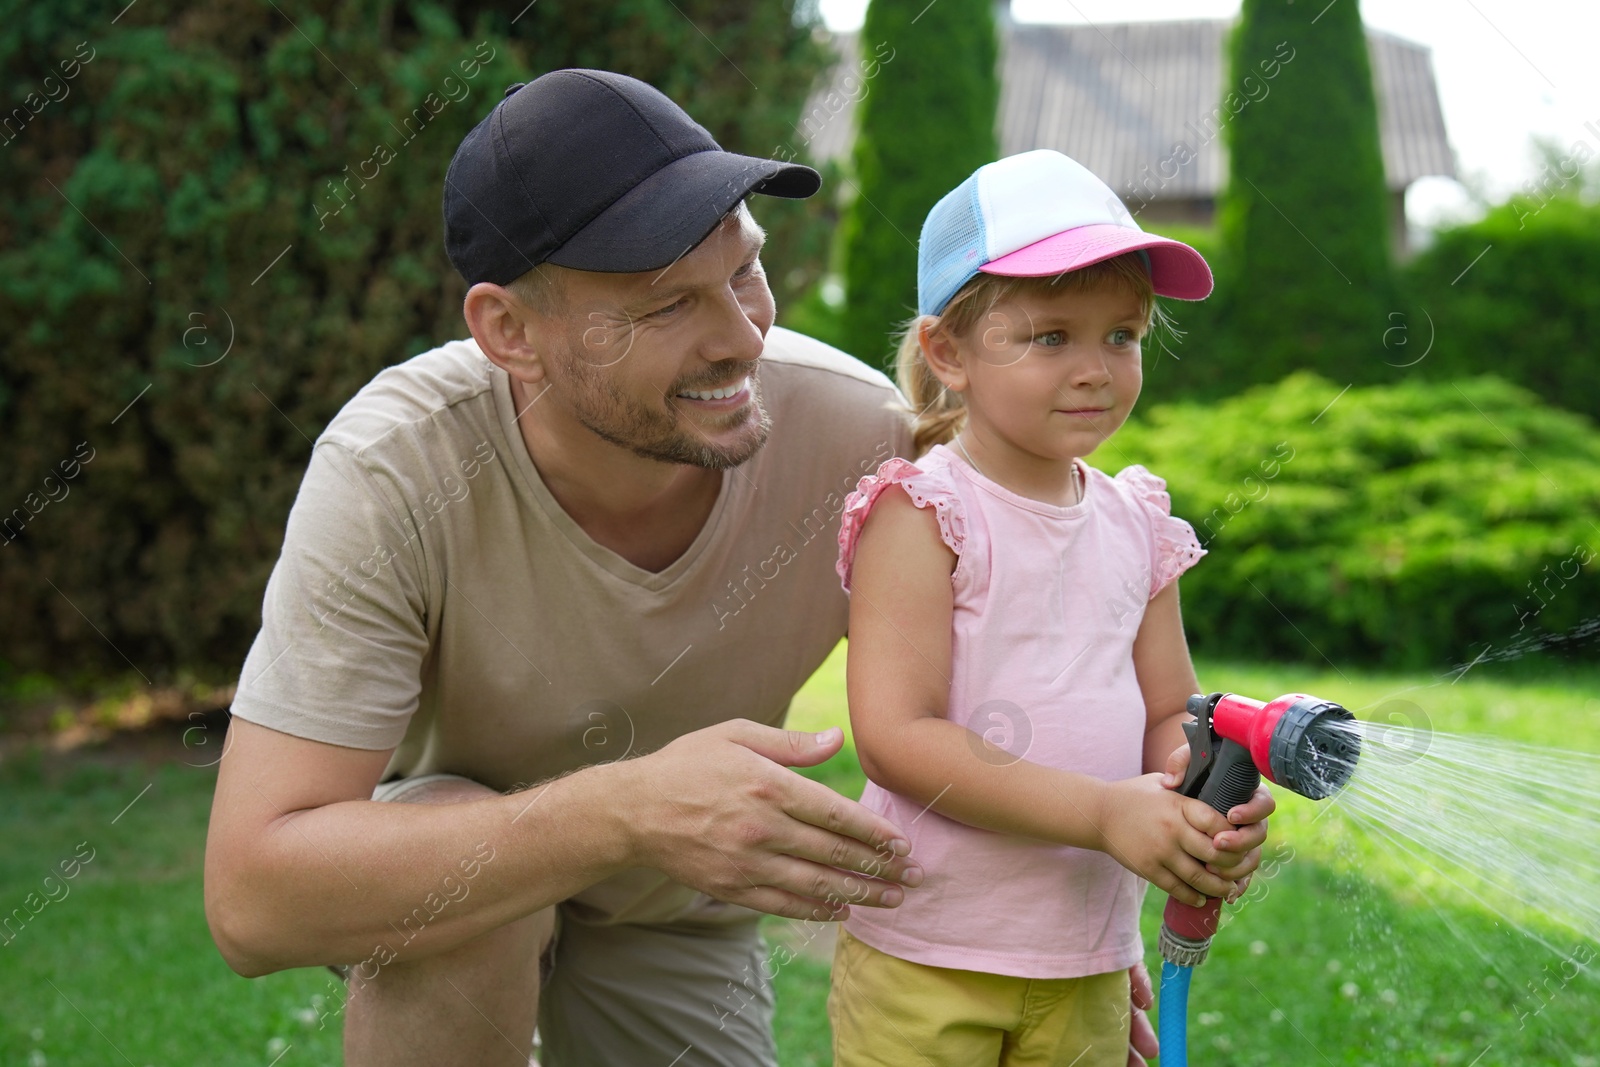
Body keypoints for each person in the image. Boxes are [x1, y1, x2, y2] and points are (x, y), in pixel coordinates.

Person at [201, 65, 1272, 1065]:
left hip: (677, 914)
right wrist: (625, 808)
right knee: (462, 888)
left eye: (746, 269)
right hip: (470, 885)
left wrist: (1062, 920)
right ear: (509, 330)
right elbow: (252, 899)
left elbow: (1028, 673)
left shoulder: (864, 440)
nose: (745, 338)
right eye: (669, 303)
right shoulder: (395, 469)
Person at [826, 149, 1268, 1067]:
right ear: (949, 352)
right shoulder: (925, 513)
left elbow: (1165, 715)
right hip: (929, 953)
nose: (1096, 369)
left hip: (1084, 956)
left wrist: (1198, 798)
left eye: (1123, 336)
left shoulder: (1137, 520)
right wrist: (1105, 813)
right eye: (1051, 337)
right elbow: (897, 737)